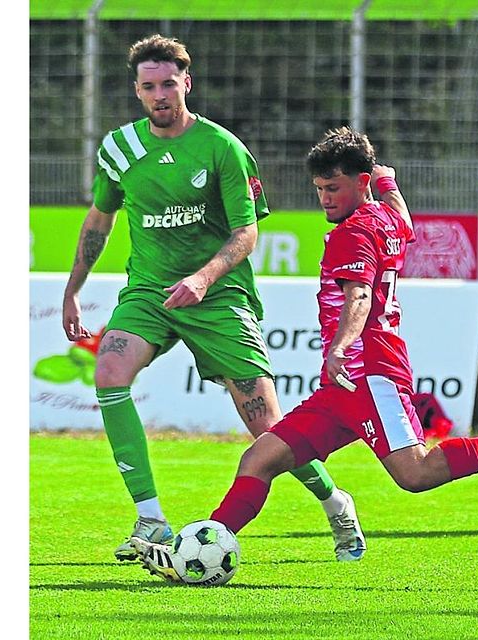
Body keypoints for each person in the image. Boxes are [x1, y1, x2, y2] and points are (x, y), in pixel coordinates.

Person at [133, 127, 478, 582]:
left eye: (333, 187)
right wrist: (386, 179)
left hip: (371, 373)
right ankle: (203, 545)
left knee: (415, 473)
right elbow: (406, 221)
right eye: (318, 189)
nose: (324, 199)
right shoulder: (383, 216)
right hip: (342, 387)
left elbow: (359, 296)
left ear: (359, 183)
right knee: (260, 458)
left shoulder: (352, 234)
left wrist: (339, 347)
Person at [61, 34, 365, 563]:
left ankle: (336, 503)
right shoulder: (120, 150)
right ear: (137, 90)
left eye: (168, 84)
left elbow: (246, 234)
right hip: (150, 293)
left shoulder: (222, 148)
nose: (160, 94)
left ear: (187, 83)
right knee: (109, 373)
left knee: (269, 430)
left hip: (219, 297)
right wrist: (73, 288)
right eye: (149, 86)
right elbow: (99, 218)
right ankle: (151, 519)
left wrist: (202, 279)